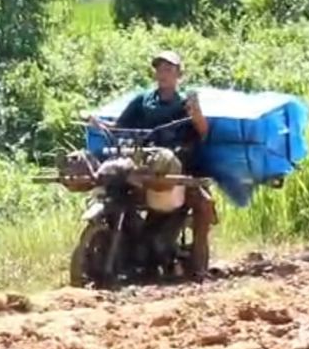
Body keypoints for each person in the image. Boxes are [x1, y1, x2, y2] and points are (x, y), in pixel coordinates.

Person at [90, 50, 215, 275]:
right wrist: (102, 125)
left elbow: (203, 132)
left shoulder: (186, 102)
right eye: (159, 69)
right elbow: (120, 127)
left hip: (174, 163)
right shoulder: (143, 100)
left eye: (169, 69)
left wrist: (196, 115)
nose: (163, 74)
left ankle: (197, 264)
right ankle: (119, 241)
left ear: (179, 75)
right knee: (113, 176)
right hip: (141, 160)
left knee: (195, 207)